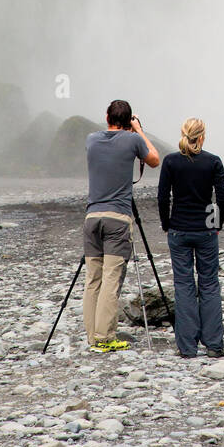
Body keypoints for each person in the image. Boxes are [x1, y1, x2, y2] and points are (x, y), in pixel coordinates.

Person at [83, 99, 159, 352]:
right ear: (128, 121)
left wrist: (126, 129)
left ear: (107, 117)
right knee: (111, 279)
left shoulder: (92, 139)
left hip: (92, 217)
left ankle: (93, 338)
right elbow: (155, 160)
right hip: (118, 218)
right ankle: (105, 338)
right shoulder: (133, 140)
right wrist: (138, 131)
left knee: (92, 279)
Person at [157, 117, 224, 358]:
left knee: (184, 285)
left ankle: (187, 347)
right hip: (206, 229)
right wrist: (217, 223)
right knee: (209, 284)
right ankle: (214, 344)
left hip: (178, 229)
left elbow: (163, 197)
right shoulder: (213, 162)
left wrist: (166, 224)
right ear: (202, 136)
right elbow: (222, 197)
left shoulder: (170, 162)